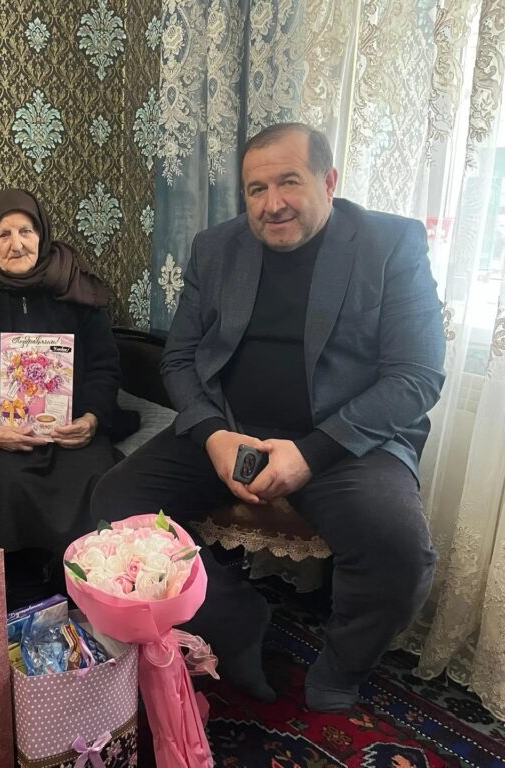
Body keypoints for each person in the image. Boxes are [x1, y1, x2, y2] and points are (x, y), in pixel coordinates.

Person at [91, 123, 445, 712]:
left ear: (328, 182)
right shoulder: (216, 247)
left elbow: (416, 376)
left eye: (289, 182)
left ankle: (341, 668)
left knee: (400, 552)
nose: (272, 203)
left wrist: (312, 453)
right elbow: (179, 357)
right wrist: (213, 434)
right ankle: (231, 618)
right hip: (231, 430)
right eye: (256, 189)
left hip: (342, 441)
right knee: (115, 501)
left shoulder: (390, 244)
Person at [0, 188, 121, 565]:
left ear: (42, 234)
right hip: (4, 438)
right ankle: (22, 585)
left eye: (26, 231)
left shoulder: (73, 286)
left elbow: (105, 365)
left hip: (71, 433)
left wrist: (91, 418)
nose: (16, 244)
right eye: (3, 234)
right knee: (5, 482)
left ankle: (92, 577)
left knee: (98, 474)